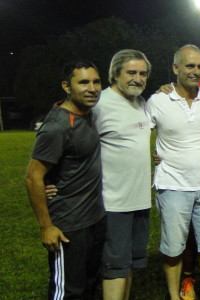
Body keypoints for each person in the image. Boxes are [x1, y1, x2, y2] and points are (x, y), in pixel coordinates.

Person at [146, 45, 200, 300]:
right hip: (172, 186)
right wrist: (149, 155)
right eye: (190, 66)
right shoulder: (158, 100)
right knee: (173, 249)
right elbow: (137, 134)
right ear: (175, 68)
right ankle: (173, 295)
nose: (196, 71)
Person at [25, 60, 106, 299]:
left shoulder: (88, 114)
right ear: (66, 86)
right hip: (69, 225)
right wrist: (47, 227)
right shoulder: (57, 126)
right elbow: (33, 177)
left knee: (91, 284)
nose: (92, 88)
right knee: (68, 291)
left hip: (95, 218)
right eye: (83, 82)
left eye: (96, 81)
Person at [97, 49, 153, 300]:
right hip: (113, 202)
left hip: (140, 200)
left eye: (142, 74)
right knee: (114, 268)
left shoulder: (141, 102)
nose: (137, 78)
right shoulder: (100, 104)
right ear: (115, 74)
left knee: (129, 264)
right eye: (131, 72)